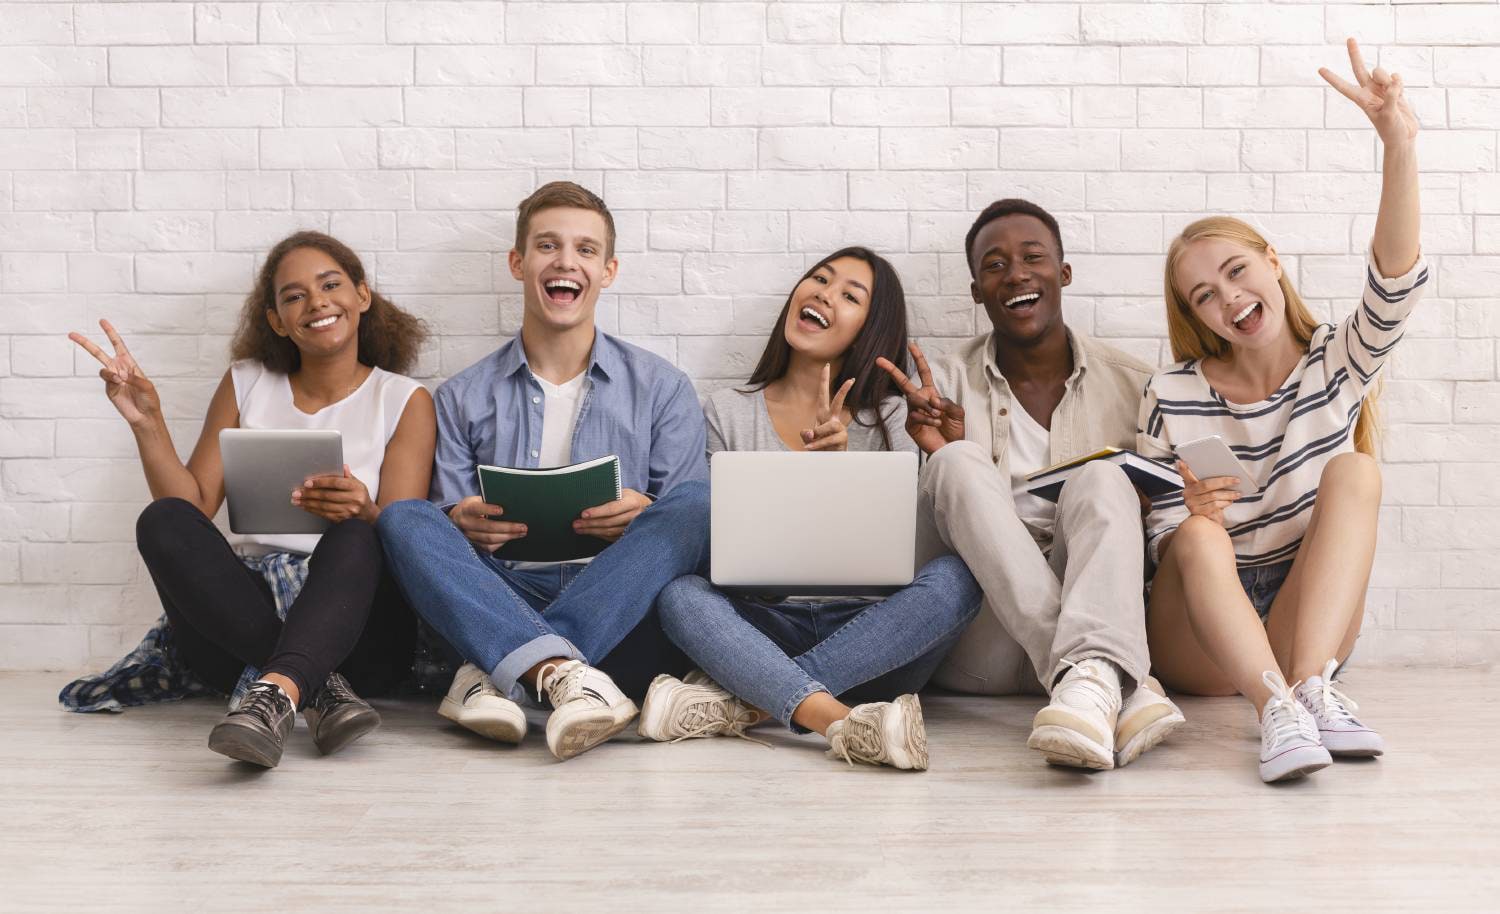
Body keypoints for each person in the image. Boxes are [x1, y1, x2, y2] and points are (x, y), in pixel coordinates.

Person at [1137, 39, 1420, 783]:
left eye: (1236, 271)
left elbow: (1393, 283)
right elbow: (1162, 536)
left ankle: (1314, 693)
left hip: (1306, 620)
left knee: (1356, 471)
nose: (1229, 298)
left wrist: (1399, 143)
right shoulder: (1173, 392)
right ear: (1198, 318)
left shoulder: (1335, 358)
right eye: (1205, 295)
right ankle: (1277, 716)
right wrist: (1190, 512)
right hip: (1203, 630)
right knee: (1197, 537)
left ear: (1271, 260)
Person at [62, 231, 436, 769]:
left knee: (357, 535)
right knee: (162, 518)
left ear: (362, 296)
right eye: (294, 296)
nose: (316, 302)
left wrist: (364, 510)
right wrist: (148, 423)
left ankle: (281, 688)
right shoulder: (247, 382)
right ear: (278, 320)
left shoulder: (403, 399)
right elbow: (190, 508)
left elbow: (409, 537)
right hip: (240, 628)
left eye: (330, 285)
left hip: (361, 636)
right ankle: (311, 687)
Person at [376, 181, 710, 762]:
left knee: (697, 506)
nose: (565, 261)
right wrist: (457, 517)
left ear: (608, 271)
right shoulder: (459, 396)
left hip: (618, 596)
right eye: (547, 246)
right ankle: (564, 677)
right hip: (500, 588)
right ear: (518, 262)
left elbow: (689, 529)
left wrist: (646, 516)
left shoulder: (663, 388)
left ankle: (494, 674)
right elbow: (443, 547)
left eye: (585, 250)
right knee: (405, 518)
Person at [638, 248, 982, 771]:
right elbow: (703, 544)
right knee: (679, 594)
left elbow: (921, 547)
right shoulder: (725, 411)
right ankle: (842, 721)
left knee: (959, 577)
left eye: (850, 295)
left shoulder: (895, 419)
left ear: (871, 328)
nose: (824, 293)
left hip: (874, 636)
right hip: (761, 624)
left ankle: (745, 703)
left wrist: (845, 469)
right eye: (819, 279)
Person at [877, 200, 1186, 772]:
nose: (1015, 273)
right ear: (976, 291)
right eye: (994, 265)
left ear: (1063, 273)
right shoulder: (939, 383)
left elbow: (1167, 525)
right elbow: (894, 541)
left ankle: (1090, 685)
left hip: (1094, 610)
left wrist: (1143, 503)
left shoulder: (1136, 383)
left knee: (1102, 476)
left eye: (1032, 257)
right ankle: (1111, 683)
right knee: (957, 461)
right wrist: (934, 450)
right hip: (979, 644)